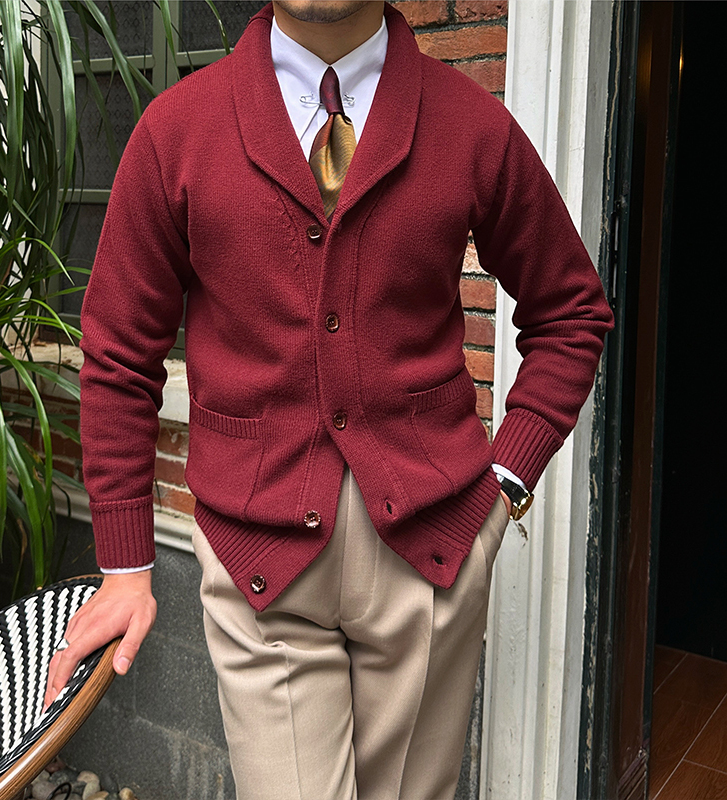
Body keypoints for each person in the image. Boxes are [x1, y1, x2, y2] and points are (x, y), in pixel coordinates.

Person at [44, 2, 614, 797]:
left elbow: (572, 311)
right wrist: (125, 563)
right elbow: (118, 352)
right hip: (257, 565)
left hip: (433, 556)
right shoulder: (177, 130)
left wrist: (507, 479)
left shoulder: (472, 127)